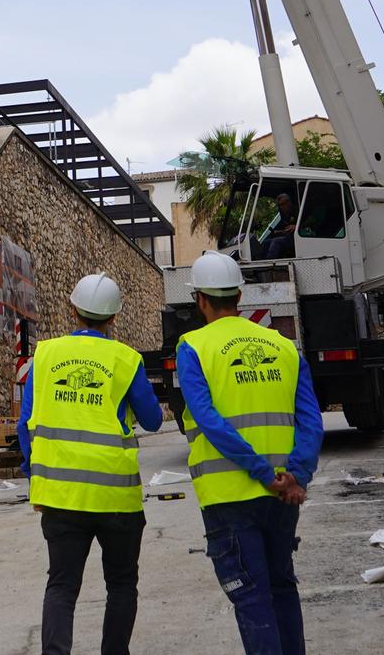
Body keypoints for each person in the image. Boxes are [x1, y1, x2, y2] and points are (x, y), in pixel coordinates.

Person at [178, 251, 322, 654]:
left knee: (251, 595)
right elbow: (310, 420)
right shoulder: (284, 346)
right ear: (239, 296)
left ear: (201, 300)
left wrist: (262, 472)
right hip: (283, 496)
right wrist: (297, 476)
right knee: (281, 586)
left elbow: (209, 420)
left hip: (230, 496)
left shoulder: (194, 346)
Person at [18, 273, 164, 655]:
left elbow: (25, 424)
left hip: (61, 495)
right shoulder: (126, 359)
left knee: (62, 585)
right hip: (116, 497)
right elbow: (152, 420)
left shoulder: (45, 355)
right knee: (120, 583)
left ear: (73, 310)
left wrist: (35, 477)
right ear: (114, 318)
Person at [261, 194, 297, 260]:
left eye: (283, 204)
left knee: (276, 242)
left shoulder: (297, 211)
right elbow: (286, 229)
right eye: (279, 205)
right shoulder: (283, 215)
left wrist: (297, 227)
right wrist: (279, 232)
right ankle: (261, 262)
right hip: (287, 237)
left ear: (288, 202)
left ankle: (270, 264)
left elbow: (308, 223)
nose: (281, 207)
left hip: (297, 239)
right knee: (266, 242)